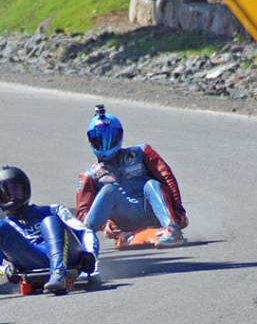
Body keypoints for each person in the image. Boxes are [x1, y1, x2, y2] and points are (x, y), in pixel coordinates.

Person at [0, 165, 99, 295]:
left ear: (25, 189)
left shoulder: (53, 210)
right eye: (5, 194)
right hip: (32, 260)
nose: (11, 197)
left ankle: (58, 274)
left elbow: (84, 231)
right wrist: (5, 272)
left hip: (69, 257)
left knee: (49, 221)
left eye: (15, 191)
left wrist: (90, 254)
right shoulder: (5, 230)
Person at [75, 104, 189, 248]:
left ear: (119, 136)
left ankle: (171, 229)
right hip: (126, 218)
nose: (104, 144)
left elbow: (167, 178)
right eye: (98, 140)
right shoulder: (89, 175)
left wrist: (178, 209)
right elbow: (82, 214)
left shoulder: (142, 152)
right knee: (108, 190)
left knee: (152, 184)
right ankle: (83, 244)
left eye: (110, 138)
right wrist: (105, 225)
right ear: (91, 141)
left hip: (153, 209)